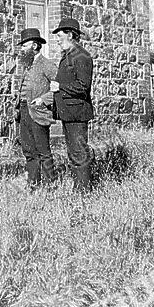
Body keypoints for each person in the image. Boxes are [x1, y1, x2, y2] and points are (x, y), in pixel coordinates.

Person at [49, 18, 95, 193]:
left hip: (77, 113)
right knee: (73, 152)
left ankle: (83, 192)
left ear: (70, 35)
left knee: (79, 152)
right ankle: (79, 188)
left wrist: (60, 87)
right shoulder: (69, 55)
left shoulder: (82, 56)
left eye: (60, 36)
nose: (58, 39)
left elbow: (83, 86)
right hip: (69, 113)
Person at [15, 28, 57, 189]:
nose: (22, 49)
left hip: (38, 113)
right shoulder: (27, 64)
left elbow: (59, 87)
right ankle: (33, 183)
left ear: (34, 45)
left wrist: (43, 99)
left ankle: (50, 185)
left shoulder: (47, 65)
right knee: (28, 150)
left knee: (43, 151)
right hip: (24, 112)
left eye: (24, 46)